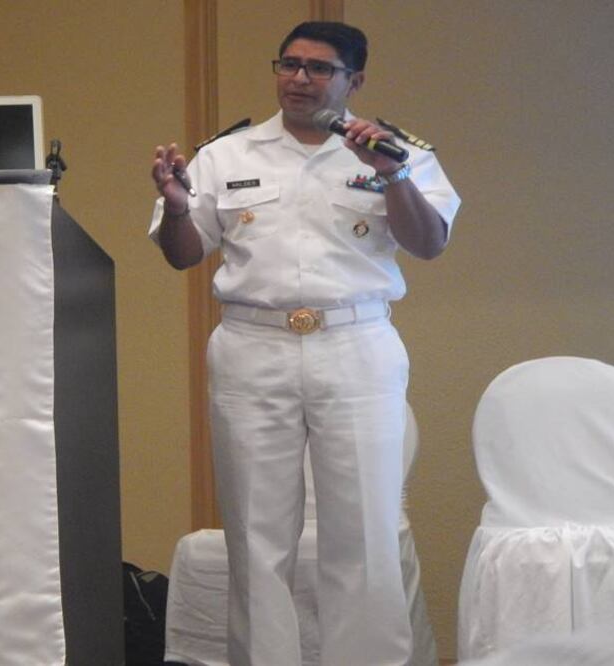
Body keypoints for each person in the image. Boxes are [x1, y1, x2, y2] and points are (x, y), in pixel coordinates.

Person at [148, 21, 460, 666]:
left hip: (356, 345)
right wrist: (178, 206)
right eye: (289, 64)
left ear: (355, 81)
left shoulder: (396, 152)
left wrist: (391, 177)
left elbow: (429, 243)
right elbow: (184, 255)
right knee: (256, 535)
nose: (299, 79)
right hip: (250, 347)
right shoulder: (225, 155)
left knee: (364, 535)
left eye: (319, 69)